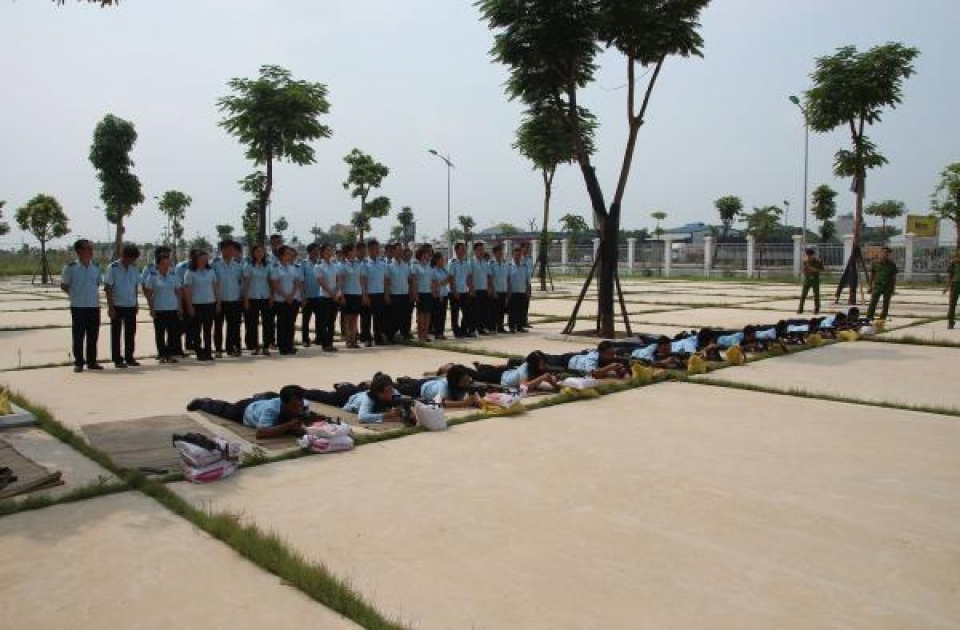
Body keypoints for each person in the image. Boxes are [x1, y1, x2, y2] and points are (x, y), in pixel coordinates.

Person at [187, 385, 312, 439]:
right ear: (283, 403)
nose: (298, 409)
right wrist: (289, 426)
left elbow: (307, 419)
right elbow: (260, 433)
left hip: (263, 402)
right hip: (246, 410)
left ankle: (263, 395)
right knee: (223, 409)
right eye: (294, 406)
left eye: (300, 405)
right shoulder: (271, 409)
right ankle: (204, 402)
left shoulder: (303, 404)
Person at [61, 239, 104, 372]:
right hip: (78, 307)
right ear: (79, 251)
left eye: (91, 248)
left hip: (93, 306)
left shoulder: (95, 267)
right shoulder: (71, 268)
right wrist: (74, 295)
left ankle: (92, 362)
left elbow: (97, 283)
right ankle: (79, 362)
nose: (91, 251)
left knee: (93, 335)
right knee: (78, 335)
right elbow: (64, 285)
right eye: (88, 248)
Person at [103, 244, 142, 368]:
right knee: (116, 333)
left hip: (130, 304)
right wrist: (111, 307)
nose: (132, 261)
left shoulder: (134, 268)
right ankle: (117, 359)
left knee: (131, 333)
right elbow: (108, 287)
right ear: (124, 256)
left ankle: (129, 357)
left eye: (134, 259)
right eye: (131, 258)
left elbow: (135, 286)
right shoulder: (113, 267)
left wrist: (136, 302)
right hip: (117, 305)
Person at [142, 250, 182, 364]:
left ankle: (169, 354)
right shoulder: (152, 276)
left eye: (168, 264)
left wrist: (179, 307)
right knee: (160, 333)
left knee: (172, 333)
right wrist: (151, 308)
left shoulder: (173, 275)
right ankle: (162, 354)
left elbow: (178, 292)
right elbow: (149, 293)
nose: (166, 266)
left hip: (172, 308)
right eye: (163, 264)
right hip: (159, 308)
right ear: (158, 264)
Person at [183, 250, 220, 361]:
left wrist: (218, 302)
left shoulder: (211, 271)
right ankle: (199, 351)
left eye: (206, 259)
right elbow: (187, 290)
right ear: (196, 260)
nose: (204, 261)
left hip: (210, 304)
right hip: (196, 304)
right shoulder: (190, 272)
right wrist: (189, 306)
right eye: (202, 259)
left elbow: (215, 287)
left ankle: (208, 351)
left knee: (208, 329)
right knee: (196, 330)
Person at [213, 240, 244, 357]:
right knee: (218, 326)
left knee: (233, 326)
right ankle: (218, 349)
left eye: (233, 249)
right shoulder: (215, 265)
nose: (232, 251)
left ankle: (230, 348)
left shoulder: (237, 265)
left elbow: (241, 282)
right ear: (223, 249)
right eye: (229, 249)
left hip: (234, 300)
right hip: (219, 301)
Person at [270, 245, 302, 355]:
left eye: (290, 253)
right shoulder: (276, 268)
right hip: (281, 300)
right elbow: (275, 284)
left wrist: (292, 295)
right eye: (288, 253)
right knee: (282, 324)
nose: (290, 255)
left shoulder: (292, 267)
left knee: (290, 323)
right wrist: (285, 296)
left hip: (292, 299)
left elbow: (297, 282)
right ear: (282, 255)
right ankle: (282, 346)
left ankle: (290, 344)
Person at [243, 243, 274, 356]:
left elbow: (271, 282)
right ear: (253, 253)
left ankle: (266, 346)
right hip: (252, 297)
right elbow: (246, 283)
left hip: (265, 297)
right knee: (252, 324)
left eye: (261, 251)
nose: (259, 253)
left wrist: (272, 297)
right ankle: (254, 346)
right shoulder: (248, 266)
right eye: (257, 251)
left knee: (268, 323)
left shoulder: (268, 265)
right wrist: (245, 299)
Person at [314, 243, 341, 352]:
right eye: (327, 250)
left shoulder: (335, 265)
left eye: (331, 250)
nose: (330, 252)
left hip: (334, 297)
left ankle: (330, 343)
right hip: (324, 297)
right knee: (323, 322)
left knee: (331, 321)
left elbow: (339, 280)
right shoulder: (319, 266)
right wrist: (332, 293)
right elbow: (321, 282)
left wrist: (336, 292)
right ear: (322, 252)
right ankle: (325, 344)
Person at [339, 242, 365, 348]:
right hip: (347, 294)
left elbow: (361, 280)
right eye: (354, 250)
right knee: (347, 318)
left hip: (357, 294)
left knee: (355, 318)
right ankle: (348, 339)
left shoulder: (359, 264)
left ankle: (354, 339)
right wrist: (342, 296)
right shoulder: (343, 265)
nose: (356, 252)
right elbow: (340, 282)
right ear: (349, 252)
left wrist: (363, 294)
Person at [362, 239, 388, 346]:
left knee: (379, 318)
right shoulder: (365, 264)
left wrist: (386, 294)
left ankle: (378, 338)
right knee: (367, 318)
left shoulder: (383, 263)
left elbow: (386, 280)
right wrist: (365, 295)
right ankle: (367, 338)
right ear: (369, 250)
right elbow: (363, 281)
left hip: (380, 294)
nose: (377, 251)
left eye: (378, 248)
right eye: (374, 249)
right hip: (369, 294)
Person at [412, 246, 439, 342]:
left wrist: (435, 291)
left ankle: (425, 334)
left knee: (428, 314)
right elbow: (414, 281)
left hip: (428, 293)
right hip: (420, 293)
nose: (427, 256)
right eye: (425, 254)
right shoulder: (416, 266)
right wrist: (415, 294)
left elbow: (434, 281)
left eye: (428, 254)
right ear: (420, 255)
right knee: (421, 315)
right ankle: (420, 335)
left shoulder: (430, 267)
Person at [300, 243, 323, 347]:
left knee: (320, 319)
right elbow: (301, 282)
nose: (317, 253)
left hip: (319, 296)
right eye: (315, 251)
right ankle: (305, 339)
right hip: (307, 297)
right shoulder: (303, 264)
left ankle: (319, 338)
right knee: (306, 320)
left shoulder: (321, 263)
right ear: (309, 252)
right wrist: (303, 296)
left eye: (318, 251)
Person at [867, 246, 898, 320]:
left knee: (886, 304)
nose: (885, 255)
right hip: (877, 286)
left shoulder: (892, 264)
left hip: (888, 287)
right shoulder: (875, 263)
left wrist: (893, 288)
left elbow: (894, 277)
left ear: (889, 255)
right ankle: (869, 317)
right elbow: (872, 275)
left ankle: (882, 318)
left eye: (887, 253)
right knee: (873, 302)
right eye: (883, 253)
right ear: (880, 253)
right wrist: (870, 286)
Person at [448, 242, 471, 337]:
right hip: (455, 292)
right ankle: (456, 331)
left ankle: (463, 330)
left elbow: (469, 276)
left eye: (464, 249)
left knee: (467, 312)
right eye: (462, 249)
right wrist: (454, 291)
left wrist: (470, 287)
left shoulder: (466, 262)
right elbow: (451, 278)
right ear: (456, 250)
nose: (464, 251)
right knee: (455, 313)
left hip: (464, 291)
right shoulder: (452, 262)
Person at [507, 246, 531, 333]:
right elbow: (508, 279)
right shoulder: (509, 265)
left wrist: (528, 291)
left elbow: (527, 280)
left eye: (519, 255)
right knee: (512, 310)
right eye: (516, 255)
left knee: (521, 310)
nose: (518, 256)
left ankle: (520, 326)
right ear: (513, 255)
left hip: (522, 291)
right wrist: (508, 291)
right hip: (513, 292)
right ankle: (512, 327)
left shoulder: (524, 266)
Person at [490, 244, 510, 333]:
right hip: (496, 290)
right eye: (498, 253)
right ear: (494, 254)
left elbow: (507, 278)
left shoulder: (505, 264)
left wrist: (508, 290)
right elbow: (490, 279)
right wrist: (493, 291)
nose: (500, 254)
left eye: (501, 252)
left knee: (502, 310)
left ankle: (501, 327)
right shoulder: (491, 264)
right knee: (494, 311)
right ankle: (493, 327)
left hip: (503, 290)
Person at [798, 247, 823, 314]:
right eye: (808, 255)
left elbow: (822, 269)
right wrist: (806, 272)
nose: (809, 257)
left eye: (810, 255)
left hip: (815, 279)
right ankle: (800, 309)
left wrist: (815, 270)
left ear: (813, 255)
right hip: (807, 280)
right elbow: (804, 270)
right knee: (803, 295)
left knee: (816, 295)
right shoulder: (805, 262)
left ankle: (816, 309)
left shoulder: (818, 261)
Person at [431, 252, 450, 340]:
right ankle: (437, 333)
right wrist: (439, 294)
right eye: (441, 259)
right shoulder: (433, 270)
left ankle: (441, 332)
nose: (443, 261)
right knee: (437, 315)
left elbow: (447, 280)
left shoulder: (444, 270)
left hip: (445, 293)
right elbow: (434, 284)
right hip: (437, 295)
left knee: (443, 315)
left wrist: (441, 283)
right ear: (436, 260)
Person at [947, 250, 960, 329]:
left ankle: (951, 322)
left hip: (955, 284)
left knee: (952, 305)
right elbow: (950, 276)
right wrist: (947, 286)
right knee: (952, 305)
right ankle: (950, 323)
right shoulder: (953, 264)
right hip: (955, 284)